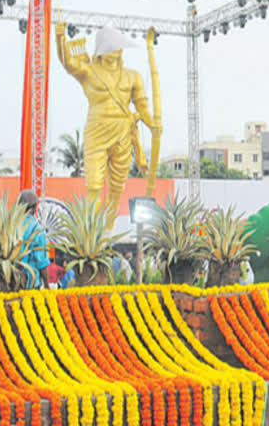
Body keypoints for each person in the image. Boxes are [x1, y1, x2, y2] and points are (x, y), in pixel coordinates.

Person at [55, 24, 162, 225]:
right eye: (112, 47)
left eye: (119, 46)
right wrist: (60, 38)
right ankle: (92, 230)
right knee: (94, 185)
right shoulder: (88, 71)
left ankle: (109, 229)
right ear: (102, 50)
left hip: (123, 132)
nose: (117, 50)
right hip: (97, 132)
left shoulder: (133, 76)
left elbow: (142, 106)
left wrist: (152, 124)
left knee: (117, 187)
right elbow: (68, 62)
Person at [17, 189, 51, 289]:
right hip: (30, 283)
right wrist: (47, 286)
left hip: (11, 282)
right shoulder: (37, 230)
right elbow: (42, 262)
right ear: (35, 207)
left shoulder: (11, 226)